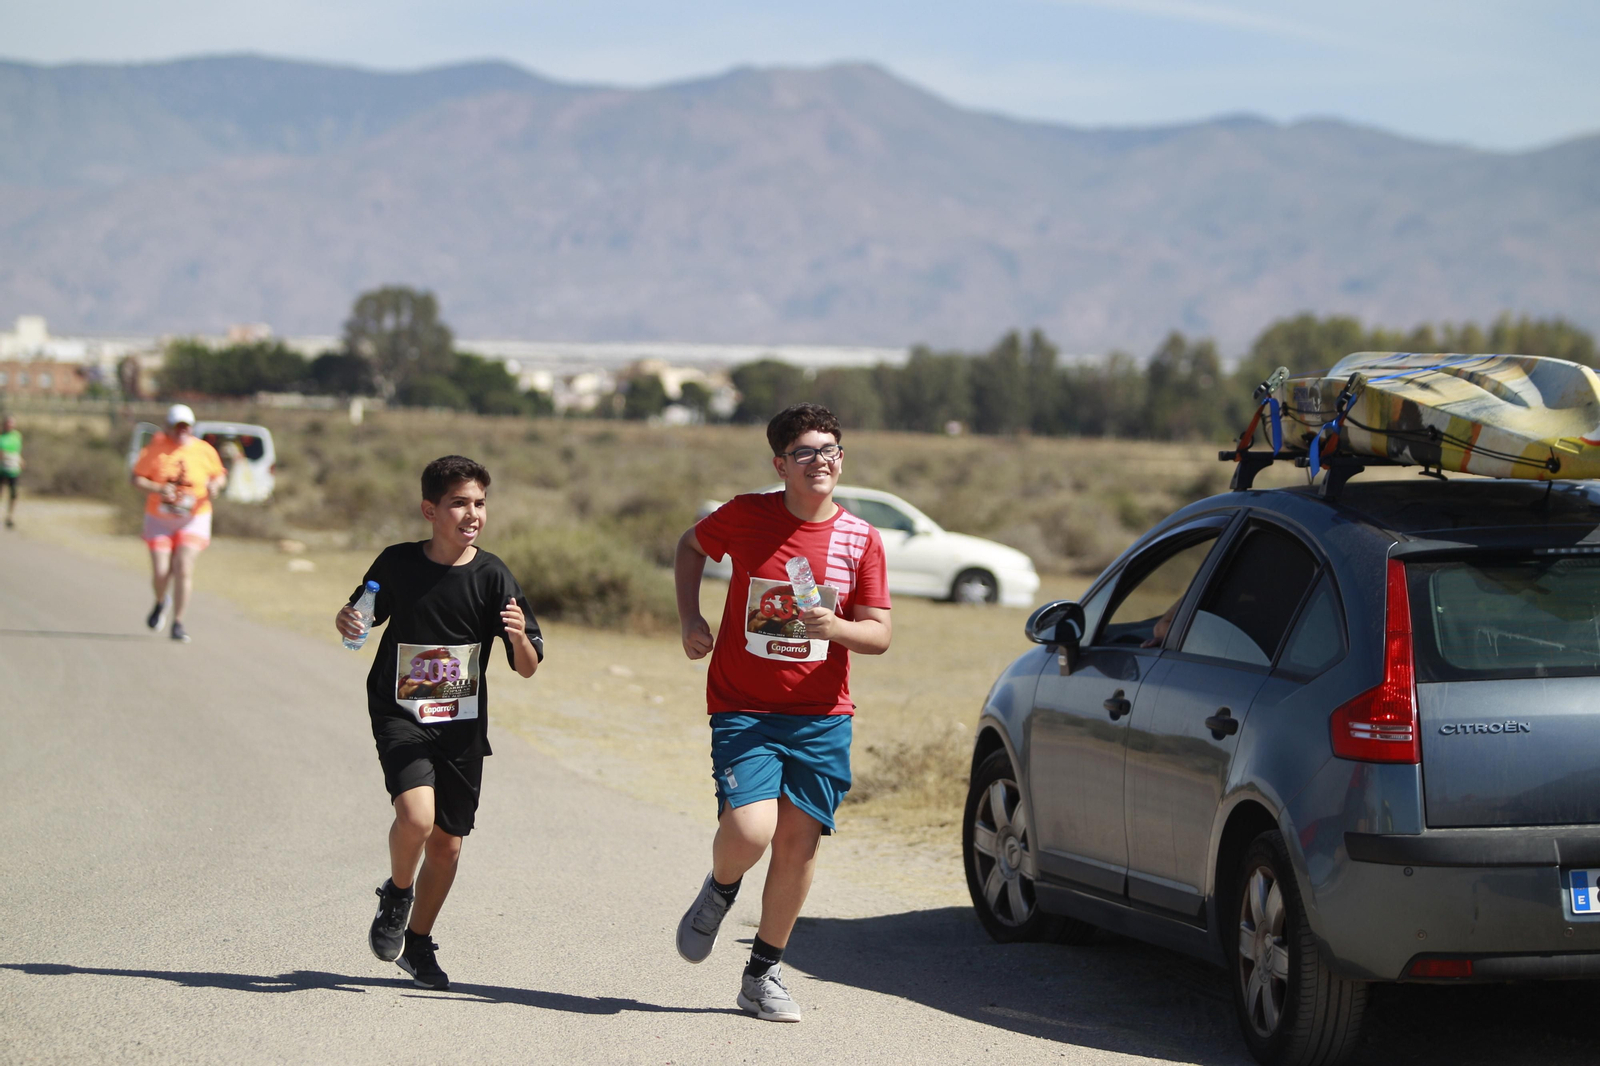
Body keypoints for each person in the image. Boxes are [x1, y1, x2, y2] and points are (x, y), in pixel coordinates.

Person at [672, 402, 892, 1023]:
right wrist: (691, 618)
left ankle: (762, 975)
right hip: (744, 705)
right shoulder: (746, 516)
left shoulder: (861, 539)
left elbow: (879, 634)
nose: (820, 462)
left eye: (830, 451)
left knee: (797, 846)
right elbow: (689, 548)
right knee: (750, 831)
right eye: (805, 453)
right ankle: (720, 889)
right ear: (781, 464)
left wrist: (838, 627)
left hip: (822, 715)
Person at [335, 454, 542, 992]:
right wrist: (347, 617)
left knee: (448, 846)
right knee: (416, 819)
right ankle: (398, 893)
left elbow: (528, 667)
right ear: (430, 509)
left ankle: (418, 940)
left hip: (461, 727)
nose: (472, 513)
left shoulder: (494, 575)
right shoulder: (398, 562)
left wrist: (519, 636)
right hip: (400, 711)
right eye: (459, 503)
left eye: (479, 503)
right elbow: (362, 614)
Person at [130, 404, 226, 642]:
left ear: (191, 427)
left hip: (194, 517)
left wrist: (215, 485)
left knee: (183, 567)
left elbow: (219, 474)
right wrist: (158, 488)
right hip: (160, 518)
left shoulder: (204, 450)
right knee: (161, 572)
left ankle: (178, 622)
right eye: (177, 426)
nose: (182, 431)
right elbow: (136, 478)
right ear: (168, 427)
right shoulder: (155, 448)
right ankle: (161, 601)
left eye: (186, 426)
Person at [0, 414, 22, 529]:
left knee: (13, 493)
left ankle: (10, 516)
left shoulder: (17, 436)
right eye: (8, 423)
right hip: (1, 468)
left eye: (12, 423)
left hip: (13, 468)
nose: (10, 425)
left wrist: (20, 460)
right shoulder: (1, 437)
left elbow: (17, 451)